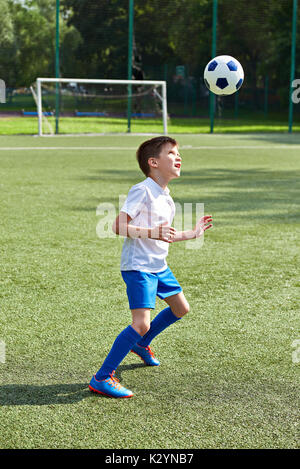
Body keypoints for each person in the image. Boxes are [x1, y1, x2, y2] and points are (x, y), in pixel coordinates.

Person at [89, 136, 213, 398]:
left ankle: (142, 344)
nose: (178, 157)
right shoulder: (142, 190)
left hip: (159, 266)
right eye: (171, 153)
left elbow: (164, 234)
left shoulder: (166, 196)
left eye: (178, 153)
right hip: (139, 268)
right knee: (141, 323)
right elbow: (118, 227)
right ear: (153, 162)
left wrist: (192, 233)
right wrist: (150, 231)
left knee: (181, 308)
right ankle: (102, 377)